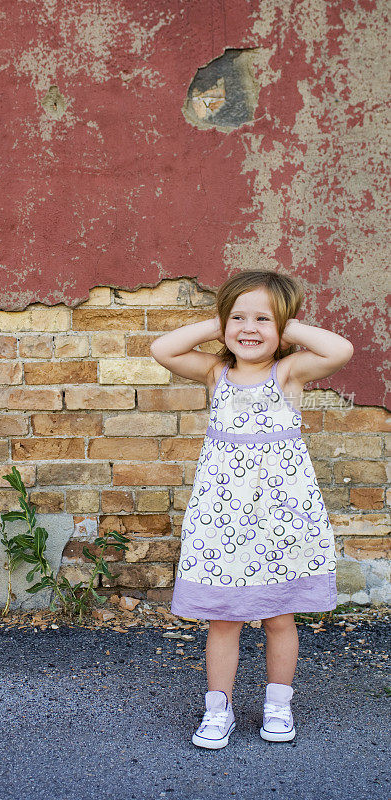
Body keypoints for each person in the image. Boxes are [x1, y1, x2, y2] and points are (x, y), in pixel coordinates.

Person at [150, 270, 354, 749]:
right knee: (224, 617)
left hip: (281, 514)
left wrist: (283, 326)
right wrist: (219, 321)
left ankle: (278, 704)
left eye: (263, 319)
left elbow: (339, 350)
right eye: (238, 317)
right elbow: (163, 349)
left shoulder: (287, 372)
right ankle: (217, 709)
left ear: (282, 328)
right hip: (222, 516)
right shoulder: (214, 372)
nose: (250, 328)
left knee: (280, 615)